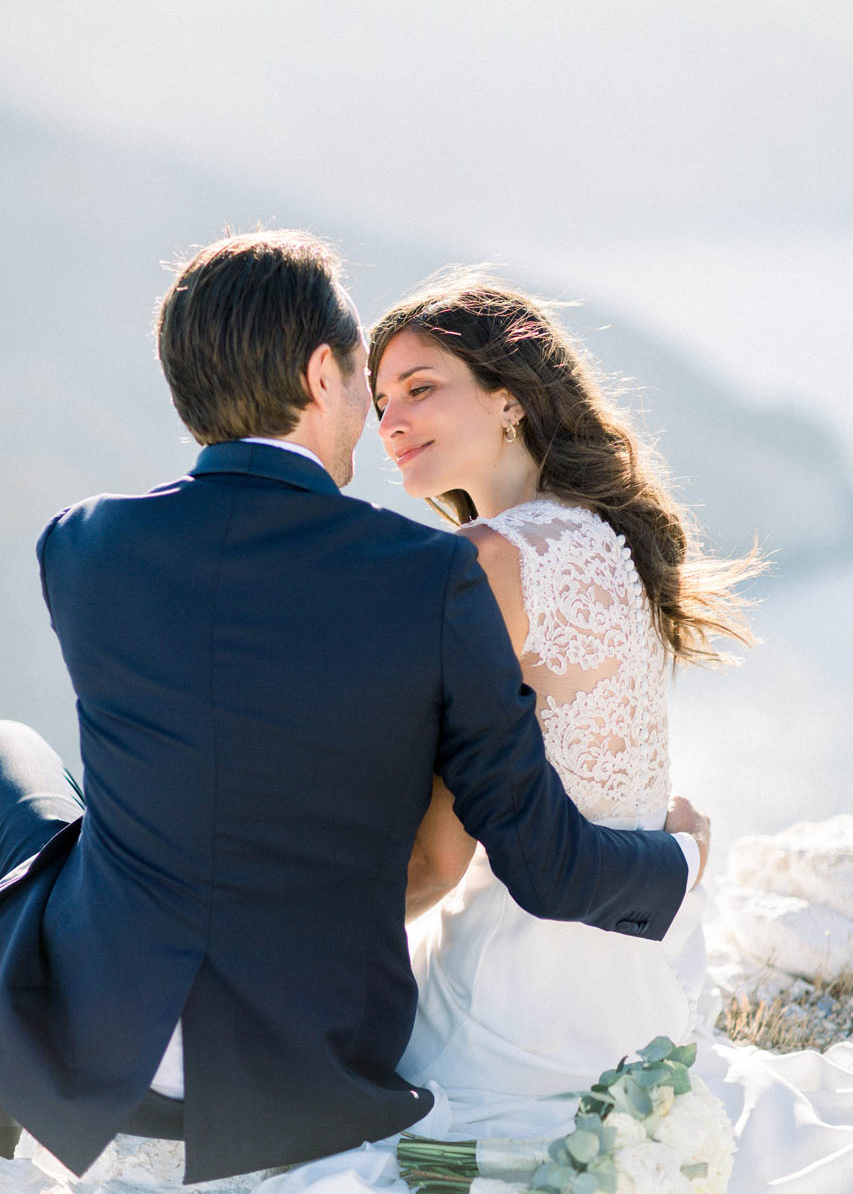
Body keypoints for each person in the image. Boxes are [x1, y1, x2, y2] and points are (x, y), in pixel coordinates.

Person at [0, 233, 707, 1189]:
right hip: (308, 1052)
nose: (381, 424)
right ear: (322, 372)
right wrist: (682, 857)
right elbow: (521, 857)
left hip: (103, 1023)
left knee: (14, 756)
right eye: (374, 392)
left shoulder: (78, 545)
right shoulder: (432, 576)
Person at [359, 271, 853, 1193]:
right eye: (380, 401)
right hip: (633, 973)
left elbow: (436, 856)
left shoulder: (484, 563)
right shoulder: (597, 537)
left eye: (421, 388)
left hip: (520, 998)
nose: (390, 420)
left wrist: (288, 942)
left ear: (509, 398)